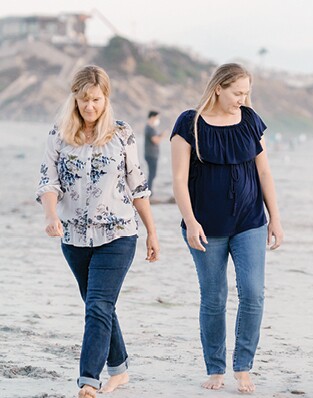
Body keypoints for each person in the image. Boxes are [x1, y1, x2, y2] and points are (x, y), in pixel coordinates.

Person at [35, 65, 160, 398]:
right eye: (82, 100)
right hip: (73, 237)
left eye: (95, 99)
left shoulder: (122, 133)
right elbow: (48, 181)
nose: (89, 107)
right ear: (73, 99)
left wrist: (152, 232)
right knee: (98, 305)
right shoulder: (58, 134)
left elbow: (138, 185)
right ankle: (119, 369)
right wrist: (50, 214)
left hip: (118, 234)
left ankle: (88, 380)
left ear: (106, 98)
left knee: (98, 306)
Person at [170, 63, 283, 393]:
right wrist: (190, 222)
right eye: (237, 92)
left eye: (247, 92)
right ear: (218, 87)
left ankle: (243, 366)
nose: (243, 98)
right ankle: (216, 367)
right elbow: (177, 178)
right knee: (214, 297)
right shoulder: (188, 123)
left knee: (253, 293)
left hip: (250, 222)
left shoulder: (249, 120)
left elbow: (264, 173)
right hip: (205, 227)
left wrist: (275, 217)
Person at [144, 110, 167, 193]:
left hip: (152, 154)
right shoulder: (149, 128)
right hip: (151, 154)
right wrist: (162, 136)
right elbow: (155, 140)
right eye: (157, 118)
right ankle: (149, 191)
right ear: (153, 117)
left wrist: (160, 135)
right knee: (152, 174)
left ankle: (149, 190)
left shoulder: (151, 128)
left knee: (152, 174)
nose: (158, 120)